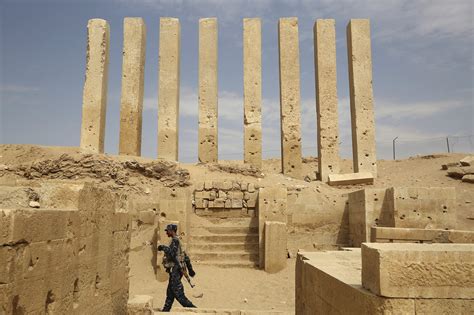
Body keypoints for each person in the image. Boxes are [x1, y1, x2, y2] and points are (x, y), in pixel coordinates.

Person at [157, 223, 197, 312]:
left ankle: (194, 310)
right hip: (177, 269)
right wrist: (190, 270)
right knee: (170, 293)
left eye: (168, 231)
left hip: (175, 269)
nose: (166, 233)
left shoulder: (175, 241)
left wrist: (163, 247)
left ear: (172, 231)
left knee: (179, 295)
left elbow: (172, 254)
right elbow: (185, 257)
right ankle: (165, 310)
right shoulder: (179, 240)